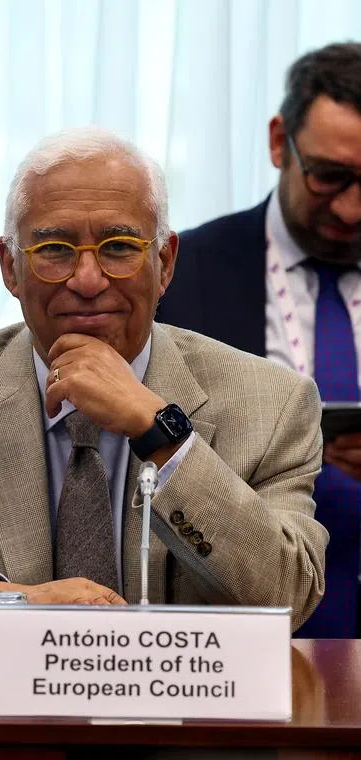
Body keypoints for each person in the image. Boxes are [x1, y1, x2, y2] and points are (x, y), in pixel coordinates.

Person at [0, 127, 327, 634]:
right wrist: (11, 603)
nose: (88, 280)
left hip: (183, 717)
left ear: (164, 262)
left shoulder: (271, 403)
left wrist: (160, 432)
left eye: (119, 247)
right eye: (54, 250)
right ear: (10, 267)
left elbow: (286, 597)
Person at [158, 42, 361, 638]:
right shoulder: (179, 274)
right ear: (279, 142)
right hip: (232, 620)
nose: (350, 209)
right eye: (329, 176)